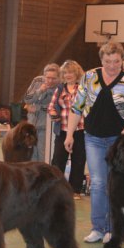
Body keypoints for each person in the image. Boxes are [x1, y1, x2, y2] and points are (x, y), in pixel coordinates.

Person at [64, 42, 124, 243]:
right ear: (101, 60)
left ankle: (112, 229)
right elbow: (77, 108)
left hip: (118, 141)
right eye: (108, 61)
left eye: (117, 61)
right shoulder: (89, 77)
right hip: (93, 138)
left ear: (122, 60)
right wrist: (69, 135)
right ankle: (97, 228)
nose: (112, 65)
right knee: (98, 183)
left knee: (113, 184)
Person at [48, 59, 87, 195]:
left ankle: (75, 190)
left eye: (70, 72)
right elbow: (51, 107)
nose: (68, 75)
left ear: (76, 73)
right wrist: (54, 115)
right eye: (65, 73)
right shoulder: (59, 89)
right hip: (62, 130)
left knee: (79, 160)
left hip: (80, 130)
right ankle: (55, 188)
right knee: (58, 160)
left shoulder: (83, 88)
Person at [23, 63, 61, 161]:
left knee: (43, 154)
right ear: (44, 76)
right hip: (31, 126)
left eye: (54, 78)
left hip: (46, 127)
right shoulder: (37, 81)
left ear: (59, 77)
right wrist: (40, 90)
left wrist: (38, 108)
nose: (50, 81)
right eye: (48, 77)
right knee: (30, 154)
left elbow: (57, 106)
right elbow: (27, 99)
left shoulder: (61, 87)